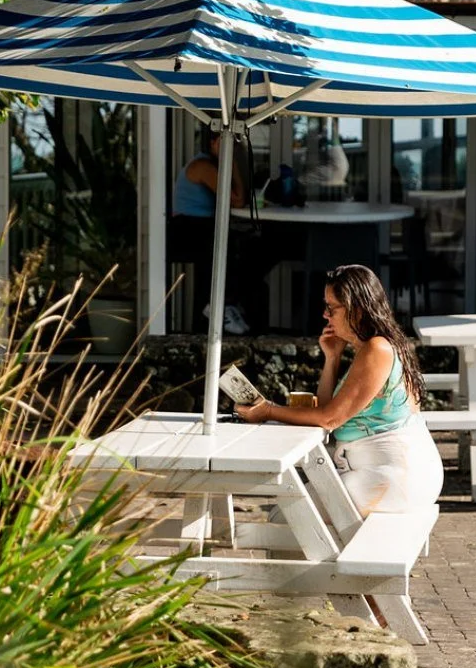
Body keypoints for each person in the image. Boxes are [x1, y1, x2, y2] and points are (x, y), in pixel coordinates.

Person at [236, 263, 444, 516]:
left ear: (356, 310)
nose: (325, 315)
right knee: (288, 516)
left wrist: (268, 410)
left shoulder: (377, 350)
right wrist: (332, 358)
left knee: (286, 517)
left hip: (398, 476)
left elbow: (329, 419)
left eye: (331, 307)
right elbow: (327, 412)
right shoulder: (376, 347)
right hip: (397, 472)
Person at [169, 131, 249, 334]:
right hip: (187, 229)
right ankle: (219, 306)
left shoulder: (212, 165)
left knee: (243, 243)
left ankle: (228, 302)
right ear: (213, 143)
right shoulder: (203, 167)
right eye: (226, 143)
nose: (232, 147)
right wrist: (230, 161)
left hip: (201, 226)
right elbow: (237, 199)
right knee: (226, 244)